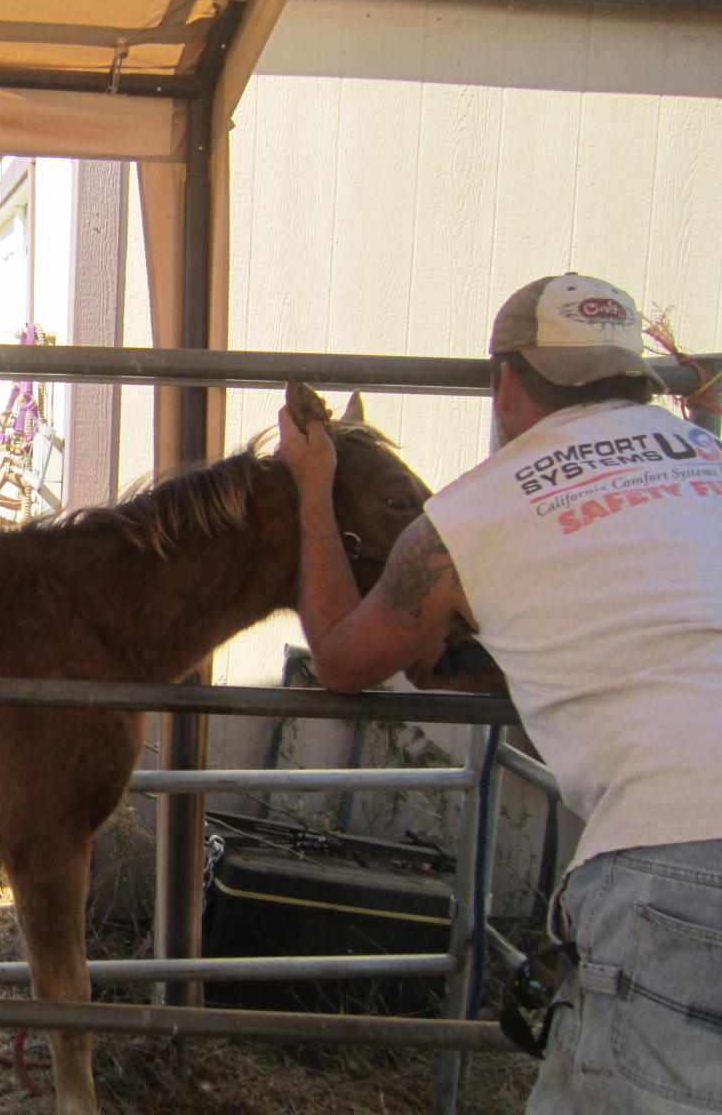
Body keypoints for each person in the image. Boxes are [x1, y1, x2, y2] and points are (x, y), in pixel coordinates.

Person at [277, 273, 722, 1114]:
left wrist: (311, 480)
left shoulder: (472, 515)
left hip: (680, 865)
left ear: (507, 381)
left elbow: (340, 660)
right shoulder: (708, 459)